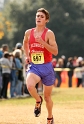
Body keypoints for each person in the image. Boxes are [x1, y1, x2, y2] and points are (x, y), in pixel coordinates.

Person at [23, 8, 58, 124]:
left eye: (42, 17)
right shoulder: (29, 32)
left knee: (48, 97)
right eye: (37, 16)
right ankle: (38, 100)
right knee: (29, 86)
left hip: (47, 67)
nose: (38, 18)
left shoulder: (49, 33)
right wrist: (27, 55)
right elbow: (25, 43)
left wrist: (43, 43)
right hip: (35, 66)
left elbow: (55, 51)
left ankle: (50, 117)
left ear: (46, 20)